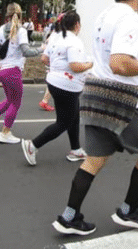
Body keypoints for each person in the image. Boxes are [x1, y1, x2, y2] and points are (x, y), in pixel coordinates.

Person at [52, 0, 138, 236]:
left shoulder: (104, 15)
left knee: (93, 160)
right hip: (123, 99)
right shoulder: (131, 19)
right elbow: (120, 63)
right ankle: (129, 210)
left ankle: (69, 217)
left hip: (94, 95)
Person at [21, 10, 92, 166]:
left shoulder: (55, 37)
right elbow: (75, 66)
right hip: (67, 87)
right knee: (64, 123)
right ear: (77, 25)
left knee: (73, 116)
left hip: (54, 83)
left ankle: (76, 149)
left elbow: (44, 59)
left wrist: (59, 68)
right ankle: (33, 145)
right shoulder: (74, 41)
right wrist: (90, 64)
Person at [0, 2, 42, 143]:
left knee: (10, 100)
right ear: (20, 15)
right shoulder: (21, 31)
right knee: (16, 102)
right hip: (13, 71)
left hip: (2, 70)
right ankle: (5, 132)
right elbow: (26, 51)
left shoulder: (1, 29)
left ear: (6, 14)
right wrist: (41, 49)